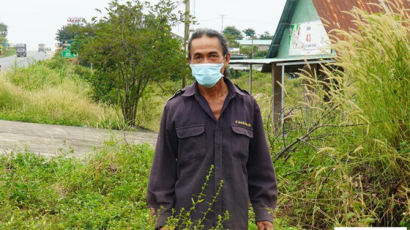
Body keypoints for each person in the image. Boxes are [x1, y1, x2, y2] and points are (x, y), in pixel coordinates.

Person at [147, 28, 277, 230]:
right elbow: (163, 169)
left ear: (226, 59)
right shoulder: (175, 108)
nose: (205, 62)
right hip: (188, 222)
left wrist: (264, 213)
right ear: (189, 62)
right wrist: (163, 220)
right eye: (198, 57)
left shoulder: (247, 106)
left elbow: (260, 167)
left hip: (234, 221)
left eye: (212, 56)